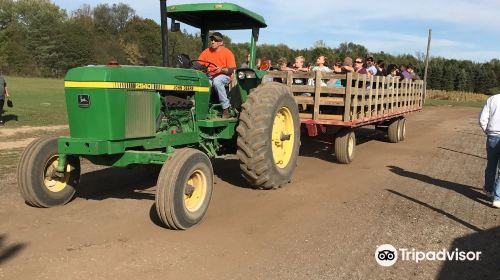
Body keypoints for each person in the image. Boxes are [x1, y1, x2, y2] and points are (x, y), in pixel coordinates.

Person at [198, 32, 236, 118]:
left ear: (221, 42)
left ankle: (225, 108)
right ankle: (201, 108)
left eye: (215, 40)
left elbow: (232, 69)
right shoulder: (206, 52)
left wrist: (221, 69)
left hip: (224, 76)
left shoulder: (227, 53)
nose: (213, 42)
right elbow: (199, 64)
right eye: (212, 40)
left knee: (217, 81)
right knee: (202, 82)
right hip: (210, 76)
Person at [479, 95, 500, 208]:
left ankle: (488, 189)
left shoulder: (492, 99)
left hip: (493, 135)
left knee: (491, 165)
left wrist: (487, 131)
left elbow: (483, 119)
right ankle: (497, 198)